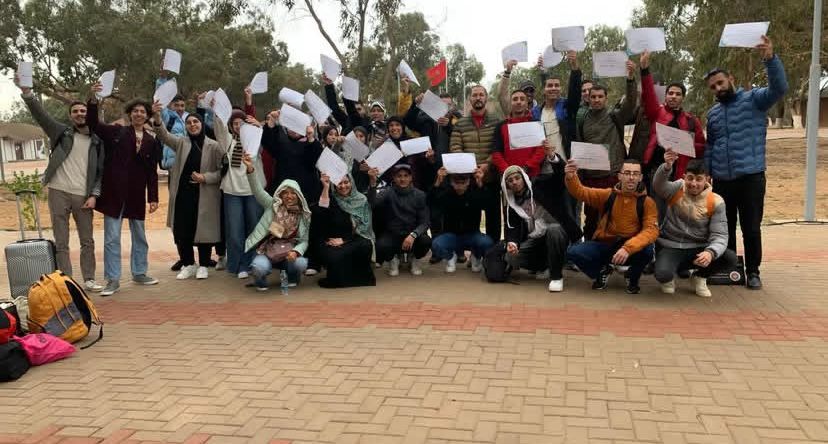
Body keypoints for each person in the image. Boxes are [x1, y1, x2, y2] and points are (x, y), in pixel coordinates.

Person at [704, 35, 787, 290]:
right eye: (713, 87)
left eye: (720, 82)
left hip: (751, 177)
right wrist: (707, 171)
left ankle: (752, 272)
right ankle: (729, 268)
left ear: (731, 79)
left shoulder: (754, 99)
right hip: (722, 180)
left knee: (751, 228)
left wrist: (770, 59)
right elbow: (711, 145)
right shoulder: (713, 114)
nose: (718, 89)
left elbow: (779, 89)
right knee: (724, 228)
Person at [15, 78, 105, 292]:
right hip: (58, 192)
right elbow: (41, 115)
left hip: (83, 195)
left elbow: (100, 172)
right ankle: (66, 281)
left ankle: (89, 279)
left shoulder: (98, 140)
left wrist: (94, 194)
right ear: (70, 115)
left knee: (87, 240)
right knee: (61, 241)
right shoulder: (61, 132)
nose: (80, 114)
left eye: (83, 111)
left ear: (89, 114)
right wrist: (27, 93)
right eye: (75, 111)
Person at [86, 93, 160, 296]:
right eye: (135, 111)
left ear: (147, 116)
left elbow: (151, 172)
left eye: (142, 111)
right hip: (114, 194)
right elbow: (94, 125)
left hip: (136, 195)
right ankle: (113, 279)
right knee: (111, 238)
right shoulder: (116, 132)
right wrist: (93, 102)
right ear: (129, 114)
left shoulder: (151, 141)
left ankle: (139, 272)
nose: (139, 114)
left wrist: (153, 197)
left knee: (140, 236)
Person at [152, 101, 224, 280]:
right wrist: (157, 116)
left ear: (201, 124)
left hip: (205, 195)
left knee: (204, 230)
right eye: (189, 123)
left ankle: (204, 265)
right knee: (183, 230)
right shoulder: (181, 143)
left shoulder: (214, 146)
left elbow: (222, 171)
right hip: (183, 195)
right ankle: (188, 264)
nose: (192, 125)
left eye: (196, 122)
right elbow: (163, 135)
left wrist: (205, 177)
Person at [564, 159, 658, 294]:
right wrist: (571, 176)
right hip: (607, 245)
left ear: (640, 177)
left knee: (648, 251)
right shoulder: (608, 195)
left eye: (635, 174)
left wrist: (628, 248)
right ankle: (602, 271)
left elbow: (651, 231)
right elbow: (581, 192)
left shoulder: (648, 203)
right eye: (627, 173)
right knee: (573, 252)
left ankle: (632, 277)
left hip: (632, 249)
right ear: (619, 176)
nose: (631, 177)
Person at [653, 152, 737, 297]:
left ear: (707, 179)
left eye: (699, 179)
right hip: (672, 246)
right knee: (663, 274)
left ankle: (700, 277)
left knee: (730, 258)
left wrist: (710, 252)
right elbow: (658, 186)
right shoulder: (677, 189)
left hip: (698, 248)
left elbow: (720, 235)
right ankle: (669, 278)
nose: (693, 183)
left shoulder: (716, 201)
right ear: (684, 176)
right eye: (690, 178)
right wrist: (666, 167)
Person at [575, 60, 639, 240]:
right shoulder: (582, 120)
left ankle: (614, 252)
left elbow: (631, 103)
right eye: (593, 97)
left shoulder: (615, 116)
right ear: (588, 98)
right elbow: (580, 147)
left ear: (606, 98)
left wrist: (630, 79)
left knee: (614, 217)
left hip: (612, 175)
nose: (596, 100)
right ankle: (589, 248)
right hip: (591, 178)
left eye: (600, 97)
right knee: (591, 218)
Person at [502, 151, 582, 292]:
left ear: (523, 178)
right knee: (511, 257)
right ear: (507, 186)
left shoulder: (540, 185)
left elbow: (559, 177)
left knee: (553, 230)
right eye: (510, 181)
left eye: (517, 178)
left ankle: (556, 277)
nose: (514, 182)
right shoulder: (512, 205)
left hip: (558, 234)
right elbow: (512, 229)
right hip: (535, 240)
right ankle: (543, 266)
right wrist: (512, 243)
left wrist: (552, 157)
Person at [638, 51, 706, 214]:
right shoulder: (657, 113)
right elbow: (648, 94)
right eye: (670, 93)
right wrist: (644, 69)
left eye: (678, 94)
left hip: (680, 175)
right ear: (666, 96)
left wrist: (686, 145)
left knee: (676, 214)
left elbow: (702, 148)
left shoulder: (691, 120)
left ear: (683, 97)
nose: (673, 96)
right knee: (656, 213)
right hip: (657, 172)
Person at [241, 152, 311, 291]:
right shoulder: (271, 205)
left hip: (288, 254)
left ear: (299, 196)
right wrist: (250, 169)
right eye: (286, 192)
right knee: (259, 267)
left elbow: (304, 241)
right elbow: (257, 190)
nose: (289, 196)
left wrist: (296, 252)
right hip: (267, 251)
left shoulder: (303, 214)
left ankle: (292, 278)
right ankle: (260, 282)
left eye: (293, 193)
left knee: (301, 263)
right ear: (280, 194)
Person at [212, 110, 266, 279]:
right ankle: (236, 265)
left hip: (253, 191)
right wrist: (217, 110)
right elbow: (219, 129)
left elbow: (269, 139)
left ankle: (250, 263)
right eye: (234, 123)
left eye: (241, 123)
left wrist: (259, 127)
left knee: (254, 229)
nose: (238, 126)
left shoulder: (255, 140)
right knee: (235, 232)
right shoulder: (228, 141)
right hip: (232, 192)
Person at [449, 85, 502, 241]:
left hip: (491, 177)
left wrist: (487, 164)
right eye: (474, 95)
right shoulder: (460, 123)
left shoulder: (496, 121)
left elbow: (500, 146)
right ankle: (474, 252)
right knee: (471, 220)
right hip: (469, 179)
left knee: (493, 219)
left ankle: (493, 251)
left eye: (481, 95)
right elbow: (455, 146)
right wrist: (469, 166)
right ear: (469, 99)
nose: (478, 98)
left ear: (486, 98)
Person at [312, 174, 376, 288]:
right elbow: (321, 212)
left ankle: (359, 279)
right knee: (333, 255)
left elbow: (364, 227)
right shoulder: (332, 199)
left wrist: (345, 240)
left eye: (346, 182)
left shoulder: (361, 199)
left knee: (365, 245)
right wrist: (326, 187)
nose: (343, 186)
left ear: (352, 183)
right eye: (339, 183)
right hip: (333, 240)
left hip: (354, 238)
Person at [368, 164, 431, 276]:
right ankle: (393, 259)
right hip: (393, 233)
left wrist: (413, 235)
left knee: (425, 241)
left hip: (413, 234)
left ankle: (414, 258)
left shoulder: (420, 195)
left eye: (406, 175)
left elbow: (425, 222)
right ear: (394, 178)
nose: (402, 179)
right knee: (381, 245)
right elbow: (372, 203)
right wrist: (372, 183)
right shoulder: (388, 192)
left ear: (411, 177)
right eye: (399, 176)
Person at [430, 168, 494, 273]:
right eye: (456, 182)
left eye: (463, 182)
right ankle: (451, 257)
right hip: (452, 236)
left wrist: (480, 183)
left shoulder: (475, 194)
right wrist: (438, 181)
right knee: (436, 244)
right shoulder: (446, 195)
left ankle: (476, 256)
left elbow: (489, 203)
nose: (459, 185)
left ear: (468, 182)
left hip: (472, 235)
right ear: (451, 182)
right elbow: (430, 201)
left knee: (487, 242)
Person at [261, 109, 324, 199]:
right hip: (284, 192)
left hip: (306, 193)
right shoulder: (281, 141)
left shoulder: (311, 143)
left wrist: (311, 138)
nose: (294, 130)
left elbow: (317, 160)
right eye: (292, 126)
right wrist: (272, 120)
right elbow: (267, 142)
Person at [491, 90, 547, 178]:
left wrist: (527, 167)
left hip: (533, 176)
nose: (519, 102)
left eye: (522, 99)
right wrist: (509, 171)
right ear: (510, 103)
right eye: (515, 99)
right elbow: (496, 153)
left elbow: (542, 150)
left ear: (527, 103)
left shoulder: (536, 124)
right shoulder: (501, 126)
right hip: (509, 177)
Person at [158, 94, 188, 171]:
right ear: (170, 105)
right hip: (173, 162)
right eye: (176, 105)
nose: (180, 108)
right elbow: (161, 99)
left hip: (186, 160)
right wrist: (163, 85)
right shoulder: (167, 117)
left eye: (182, 105)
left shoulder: (188, 118)